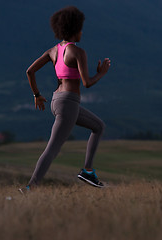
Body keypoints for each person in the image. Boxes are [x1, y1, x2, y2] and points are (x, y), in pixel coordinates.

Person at [19, 6, 111, 193]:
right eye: (80, 28)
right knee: (52, 149)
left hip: (57, 100)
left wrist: (37, 95)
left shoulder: (53, 51)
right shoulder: (78, 52)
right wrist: (101, 73)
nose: (82, 32)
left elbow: (30, 71)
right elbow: (87, 83)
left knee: (99, 126)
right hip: (68, 102)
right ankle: (31, 188)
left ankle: (88, 171)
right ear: (74, 29)